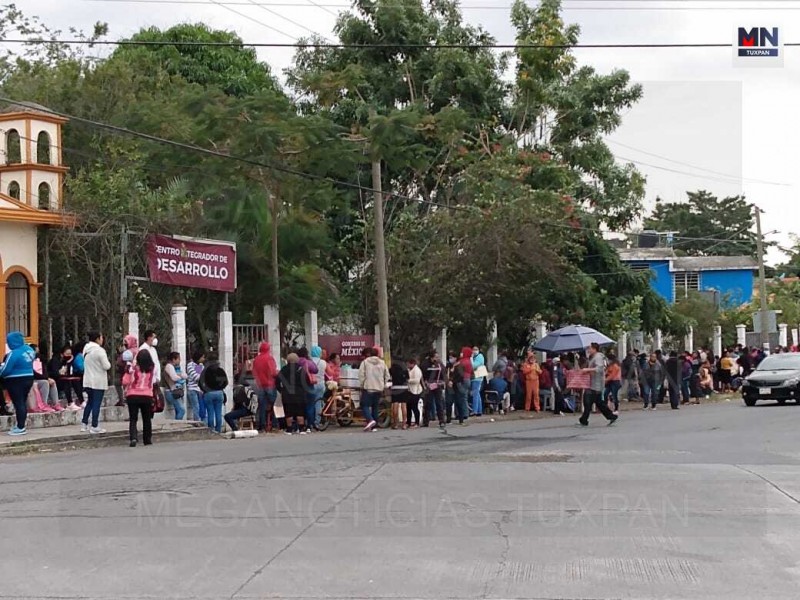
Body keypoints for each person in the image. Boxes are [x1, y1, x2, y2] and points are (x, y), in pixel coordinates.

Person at [0, 331, 35, 436]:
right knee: (22, 402)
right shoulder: (29, 350)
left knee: (18, 403)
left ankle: (20, 427)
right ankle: (21, 425)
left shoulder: (13, 354)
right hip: (29, 377)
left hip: (16, 380)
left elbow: (6, 370)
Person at [122, 349, 156, 447]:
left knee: (133, 418)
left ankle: (133, 437)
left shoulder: (132, 369)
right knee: (147, 419)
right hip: (147, 395)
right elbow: (154, 381)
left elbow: (125, 381)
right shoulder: (152, 369)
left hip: (133, 395)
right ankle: (147, 439)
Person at [579, 343, 618, 426]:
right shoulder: (593, 358)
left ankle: (584, 420)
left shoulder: (598, 357)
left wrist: (587, 369)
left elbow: (599, 369)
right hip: (593, 383)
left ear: (594, 349)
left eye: (590, 348)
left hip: (596, 384)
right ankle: (611, 416)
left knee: (588, 401)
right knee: (599, 403)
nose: (588, 350)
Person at [81, 331, 111, 434]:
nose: (102, 340)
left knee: (90, 402)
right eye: (101, 338)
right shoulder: (100, 351)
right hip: (98, 381)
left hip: (88, 380)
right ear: (98, 339)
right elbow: (106, 366)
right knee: (96, 403)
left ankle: (84, 423)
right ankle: (94, 425)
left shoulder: (86, 349)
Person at [358, 347, 389, 432]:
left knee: (364, 405)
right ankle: (374, 427)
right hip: (379, 388)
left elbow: (361, 375)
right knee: (375, 406)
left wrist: (362, 384)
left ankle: (370, 420)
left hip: (368, 387)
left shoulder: (365, 362)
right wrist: (383, 384)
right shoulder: (382, 363)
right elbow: (387, 375)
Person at [276, 353, 308, 434]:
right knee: (300, 411)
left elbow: (277, 381)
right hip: (299, 393)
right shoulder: (301, 369)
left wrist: (281, 390)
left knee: (288, 411)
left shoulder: (284, 369)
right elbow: (306, 381)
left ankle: (289, 429)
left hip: (287, 394)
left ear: (288, 360)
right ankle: (301, 429)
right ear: (297, 360)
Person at [252, 342, 278, 433]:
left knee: (262, 406)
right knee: (275, 405)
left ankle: (261, 425)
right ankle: (274, 424)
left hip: (260, 385)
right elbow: (273, 372)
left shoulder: (256, 359)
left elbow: (254, 372)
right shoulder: (269, 358)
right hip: (270, 385)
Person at [200, 352, 228, 433]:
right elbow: (225, 382)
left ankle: (211, 430)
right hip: (219, 393)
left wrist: (205, 390)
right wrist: (220, 388)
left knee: (210, 413)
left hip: (209, 393)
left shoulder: (205, 371)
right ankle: (218, 430)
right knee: (218, 413)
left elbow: (200, 383)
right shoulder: (220, 370)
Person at [422, 351, 446, 428]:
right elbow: (422, 375)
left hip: (437, 385)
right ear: (431, 357)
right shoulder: (425, 364)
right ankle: (426, 421)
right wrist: (425, 383)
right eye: (435, 357)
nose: (437, 359)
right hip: (429, 385)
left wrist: (442, 382)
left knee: (439, 403)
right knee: (428, 403)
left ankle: (441, 421)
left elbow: (443, 373)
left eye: (438, 357)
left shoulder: (439, 364)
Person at [114, 335, 139, 407]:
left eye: (126, 342)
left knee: (128, 389)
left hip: (128, 373)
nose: (125, 344)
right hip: (131, 373)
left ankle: (123, 400)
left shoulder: (129, 352)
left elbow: (121, 361)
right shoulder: (137, 350)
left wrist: (120, 354)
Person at [451, 347, 473, 425]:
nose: (461, 353)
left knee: (461, 397)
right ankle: (465, 413)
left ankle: (463, 414)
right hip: (468, 379)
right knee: (464, 397)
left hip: (462, 380)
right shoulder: (469, 361)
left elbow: (457, 370)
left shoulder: (462, 361)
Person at [163, 352, 186, 420]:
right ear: (173, 359)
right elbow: (174, 377)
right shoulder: (169, 366)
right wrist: (180, 376)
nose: (180, 360)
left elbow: (185, 375)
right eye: (178, 359)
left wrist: (180, 375)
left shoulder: (176, 367)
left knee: (178, 410)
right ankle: (178, 424)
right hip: (171, 391)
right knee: (182, 410)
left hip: (175, 391)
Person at [309, 346, 327, 430]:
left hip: (311, 384)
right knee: (318, 404)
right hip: (320, 384)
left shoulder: (309, 361)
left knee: (310, 403)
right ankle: (317, 422)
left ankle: (310, 422)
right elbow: (330, 373)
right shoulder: (323, 362)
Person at [186, 350, 206, 422]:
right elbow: (196, 377)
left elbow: (199, 377)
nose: (204, 359)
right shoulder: (190, 365)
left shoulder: (200, 365)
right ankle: (197, 422)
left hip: (199, 389)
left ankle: (203, 422)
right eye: (202, 357)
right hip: (192, 389)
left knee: (202, 407)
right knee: (196, 407)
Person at [470, 346, 487, 416]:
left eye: (476, 349)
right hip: (476, 378)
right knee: (477, 394)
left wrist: (470, 358)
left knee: (475, 394)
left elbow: (473, 366)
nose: (474, 351)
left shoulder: (479, 357)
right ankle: (479, 410)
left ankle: (475, 411)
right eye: (473, 349)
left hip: (477, 378)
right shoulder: (476, 357)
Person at [406, 358, 423, 428]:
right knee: (408, 407)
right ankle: (409, 422)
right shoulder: (410, 370)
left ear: (412, 364)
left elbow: (416, 380)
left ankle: (417, 422)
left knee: (414, 407)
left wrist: (408, 380)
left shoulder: (417, 370)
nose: (407, 365)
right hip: (410, 390)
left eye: (408, 364)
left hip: (416, 391)